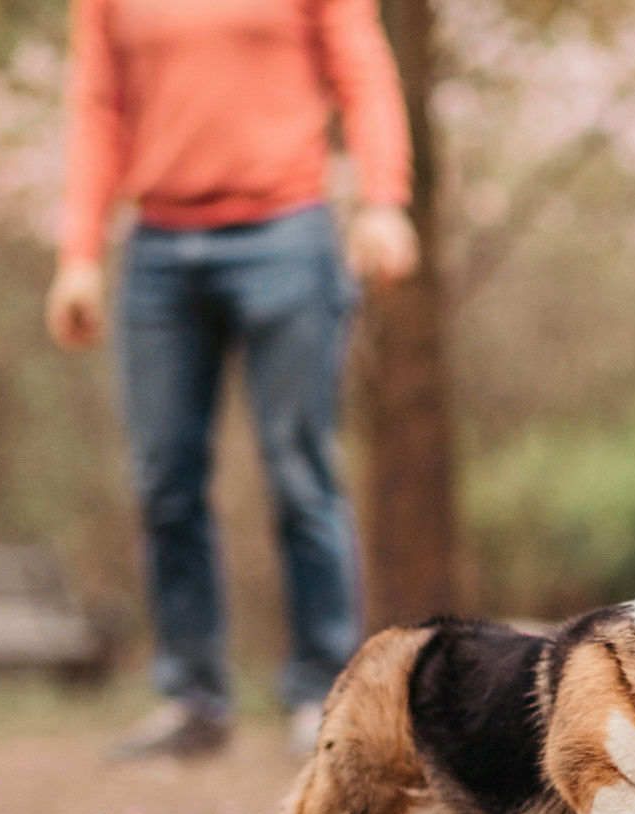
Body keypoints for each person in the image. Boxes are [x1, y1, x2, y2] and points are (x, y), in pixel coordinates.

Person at [46, 0, 419, 760]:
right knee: (164, 481)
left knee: (300, 471)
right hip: (157, 247)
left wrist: (383, 200)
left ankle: (325, 696)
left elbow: (364, 72)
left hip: (287, 232)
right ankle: (193, 700)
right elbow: (97, 107)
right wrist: (79, 254)